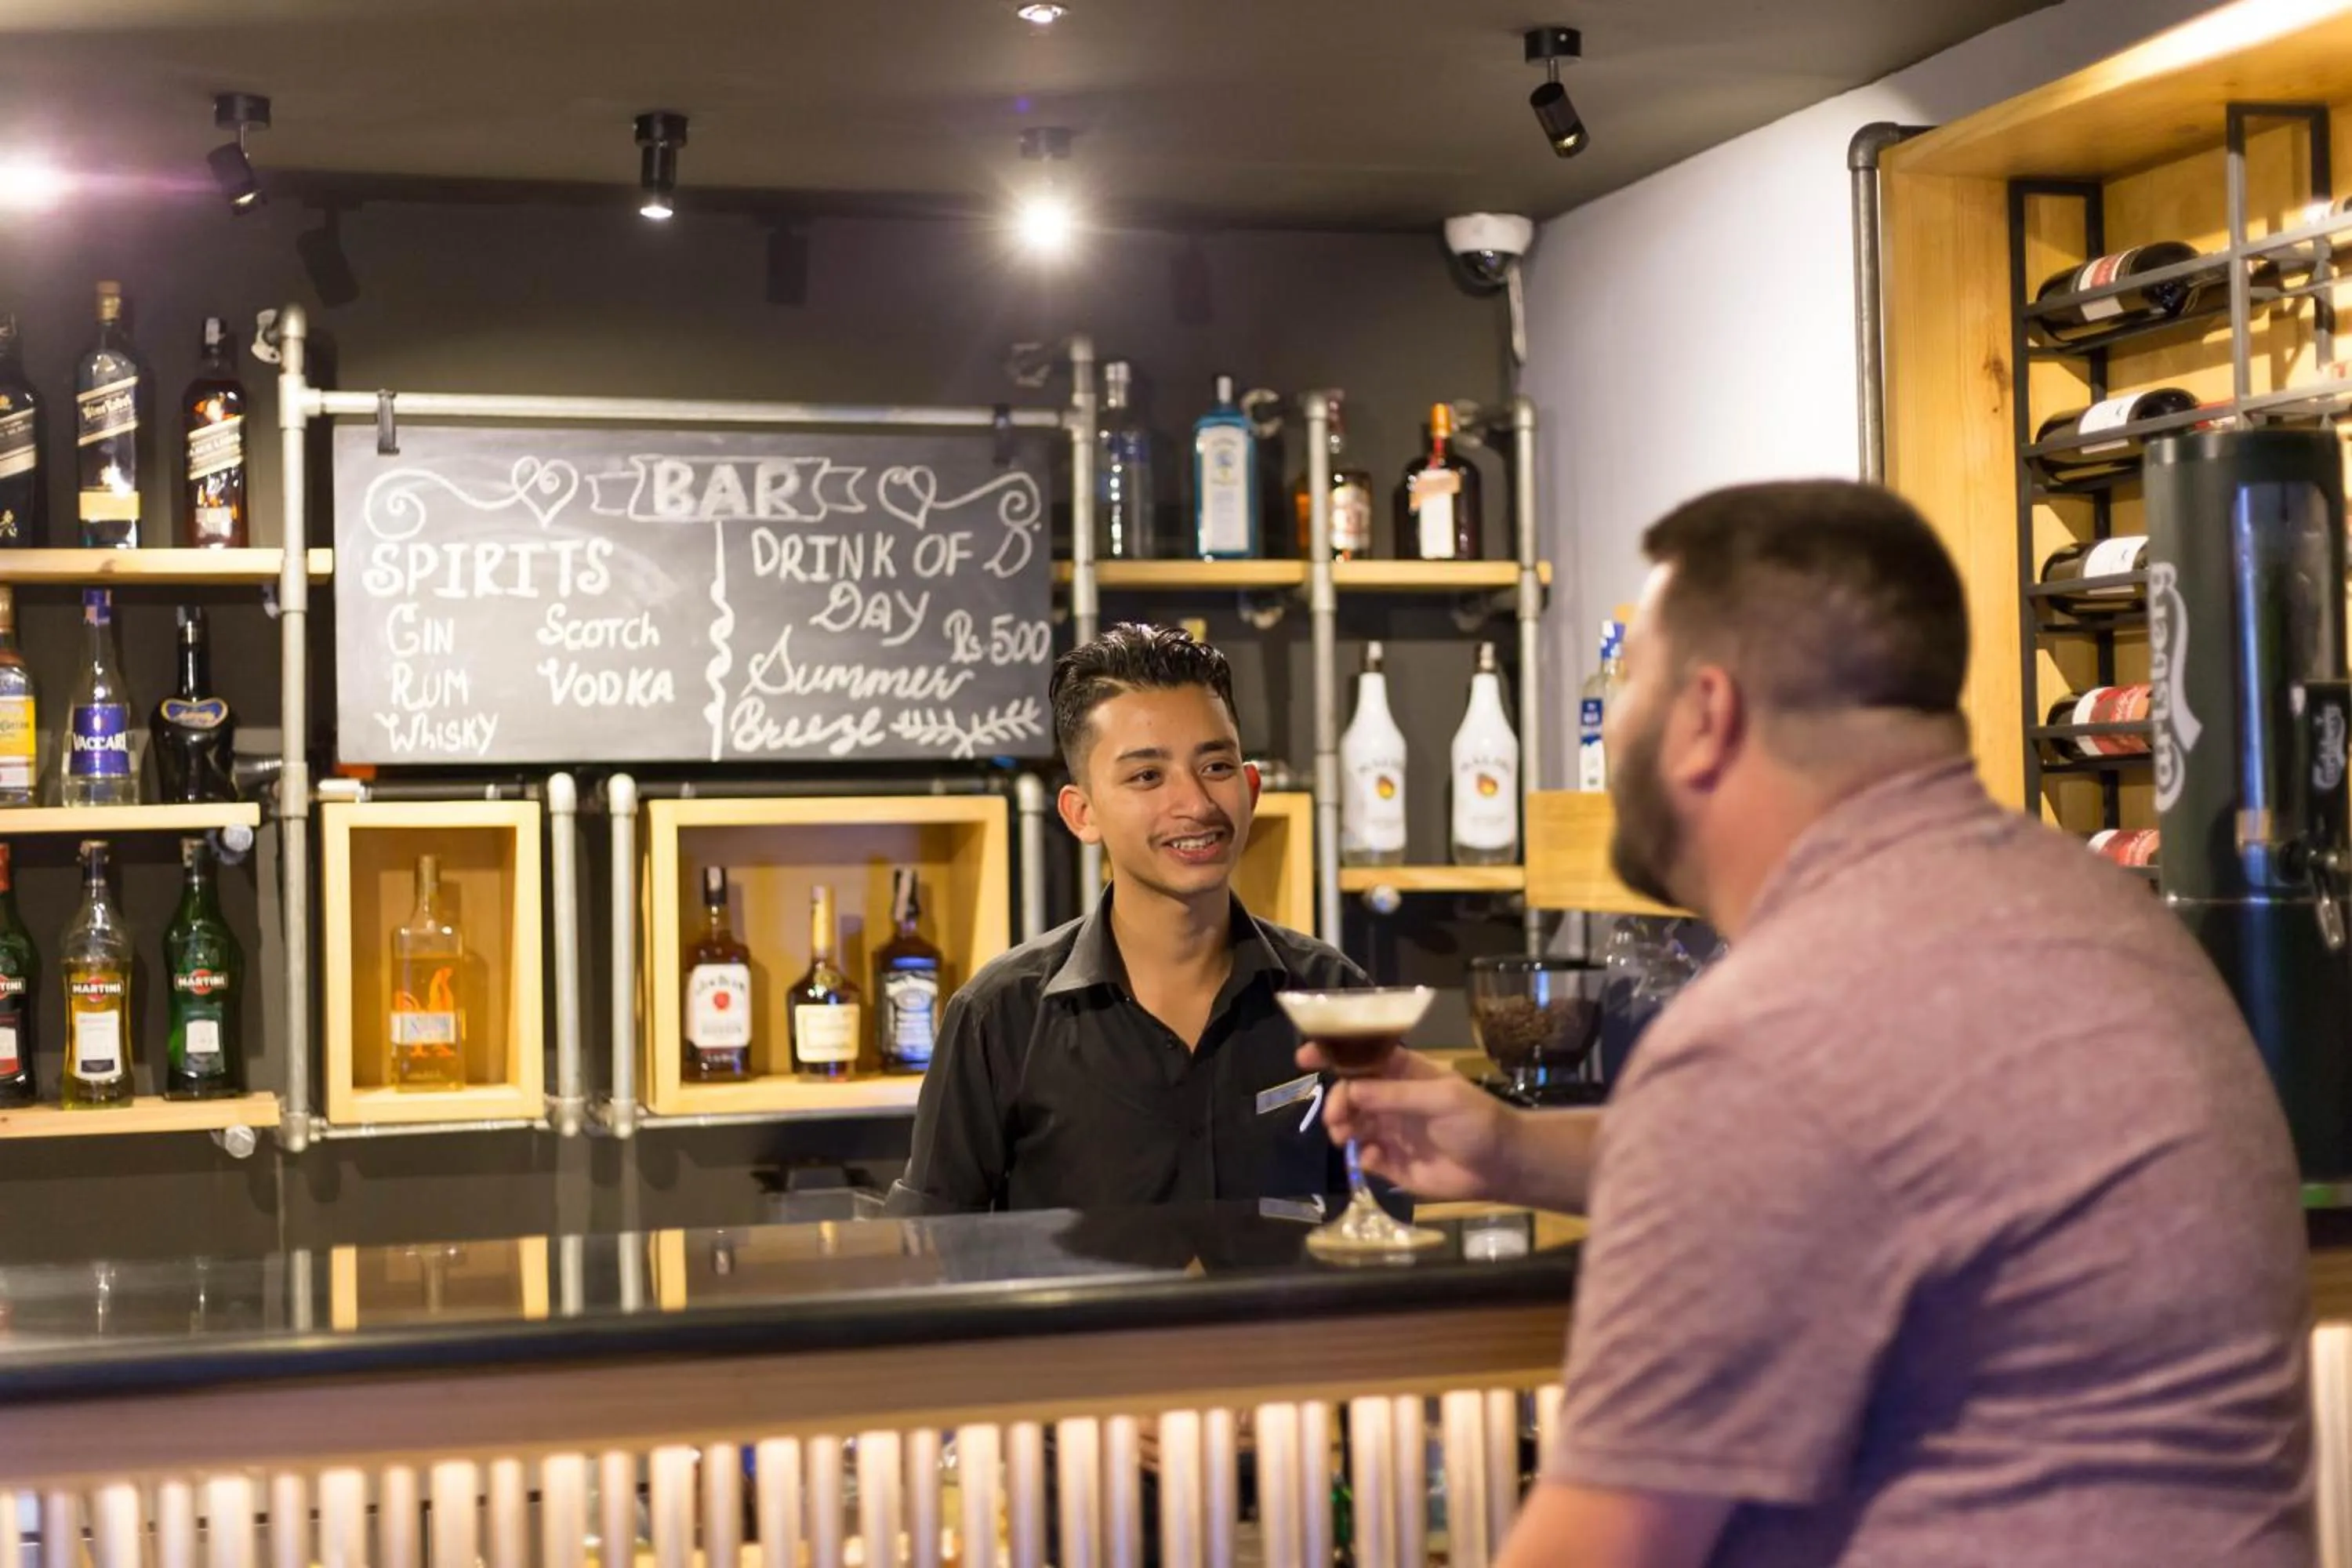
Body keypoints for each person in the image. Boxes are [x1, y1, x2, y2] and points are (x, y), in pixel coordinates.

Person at [1305, 481, 2311, 1566]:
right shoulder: (2112, 924)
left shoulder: (1778, 1034)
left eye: (1625, 680)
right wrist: (1510, 1148)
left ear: (1705, 714)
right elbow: (1880, 1159)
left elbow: (1599, 1551)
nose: (1612, 717)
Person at [889, 622, 1364, 1214]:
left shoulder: (1336, 996)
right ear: (1082, 813)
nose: (1194, 804)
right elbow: (931, 1247)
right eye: (1147, 776)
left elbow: (1384, 1232)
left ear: (1251, 787)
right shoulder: (999, 1016)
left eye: (1216, 767)